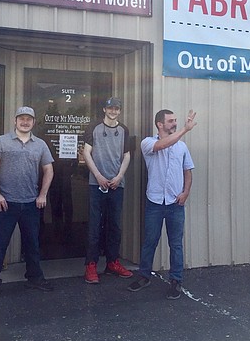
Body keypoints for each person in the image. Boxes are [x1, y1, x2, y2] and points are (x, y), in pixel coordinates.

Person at [0, 106, 55, 302]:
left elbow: (49, 170)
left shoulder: (40, 144)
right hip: (5, 203)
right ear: (15, 121)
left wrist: (43, 194)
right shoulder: (2, 141)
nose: (25, 122)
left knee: (32, 244)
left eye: (29, 119)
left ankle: (35, 278)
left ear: (33, 122)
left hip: (31, 203)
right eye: (21, 118)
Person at [128, 109, 196, 300]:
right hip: (155, 202)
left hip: (175, 202)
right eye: (170, 121)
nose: (174, 123)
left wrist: (186, 193)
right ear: (160, 124)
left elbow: (188, 172)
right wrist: (184, 129)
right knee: (150, 240)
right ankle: (144, 276)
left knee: (175, 243)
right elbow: (161, 145)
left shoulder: (182, 147)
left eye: (175, 120)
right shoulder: (148, 142)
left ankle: (176, 280)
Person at [83, 97, 134, 283]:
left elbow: (127, 155)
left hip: (116, 184)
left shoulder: (124, 130)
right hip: (96, 184)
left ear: (120, 111)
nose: (113, 111)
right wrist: (97, 176)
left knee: (115, 225)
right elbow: (86, 153)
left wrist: (119, 176)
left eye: (116, 108)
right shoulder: (94, 127)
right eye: (110, 108)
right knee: (95, 226)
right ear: (104, 109)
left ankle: (112, 262)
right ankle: (91, 265)